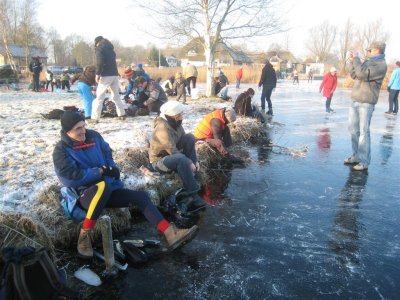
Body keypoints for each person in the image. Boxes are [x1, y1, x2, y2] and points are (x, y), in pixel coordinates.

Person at [52, 111, 198, 258]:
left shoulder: (93, 136)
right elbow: (69, 178)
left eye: (84, 126)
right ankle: (83, 238)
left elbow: (107, 154)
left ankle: (169, 232)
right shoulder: (61, 150)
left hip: (108, 188)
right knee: (103, 186)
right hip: (85, 196)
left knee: (141, 197)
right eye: (78, 128)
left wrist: (112, 168)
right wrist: (99, 172)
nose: (83, 130)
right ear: (67, 131)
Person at [149, 101, 206, 211]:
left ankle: (193, 171)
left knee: (190, 137)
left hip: (171, 156)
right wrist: (188, 162)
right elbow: (173, 151)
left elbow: (185, 140)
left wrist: (194, 161)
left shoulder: (175, 123)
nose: (181, 117)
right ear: (171, 115)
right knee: (181, 159)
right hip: (160, 161)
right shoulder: (162, 128)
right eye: (179, 115)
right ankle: (193, 194)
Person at [344, 41, 387, 171]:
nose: (368, 52)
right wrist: (352, 61)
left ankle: (364, 161)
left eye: (370, 50)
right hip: (355, 100)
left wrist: (357, 58)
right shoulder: (368, 62)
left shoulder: (380, 65)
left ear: (377, 50)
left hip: (366, 102)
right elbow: (354, 74)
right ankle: (356, 156)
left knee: (363, 132)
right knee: (353, 130)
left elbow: (362, 74)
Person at [91, 36, 126, 122]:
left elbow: (100, 61)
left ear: (97, 42)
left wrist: (97, 74)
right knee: (116, 96)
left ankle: (95, 118)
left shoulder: (100, 49)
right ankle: (122, 114)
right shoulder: (111, 49)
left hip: (106, 75)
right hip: (114, 74)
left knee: (99, 97)